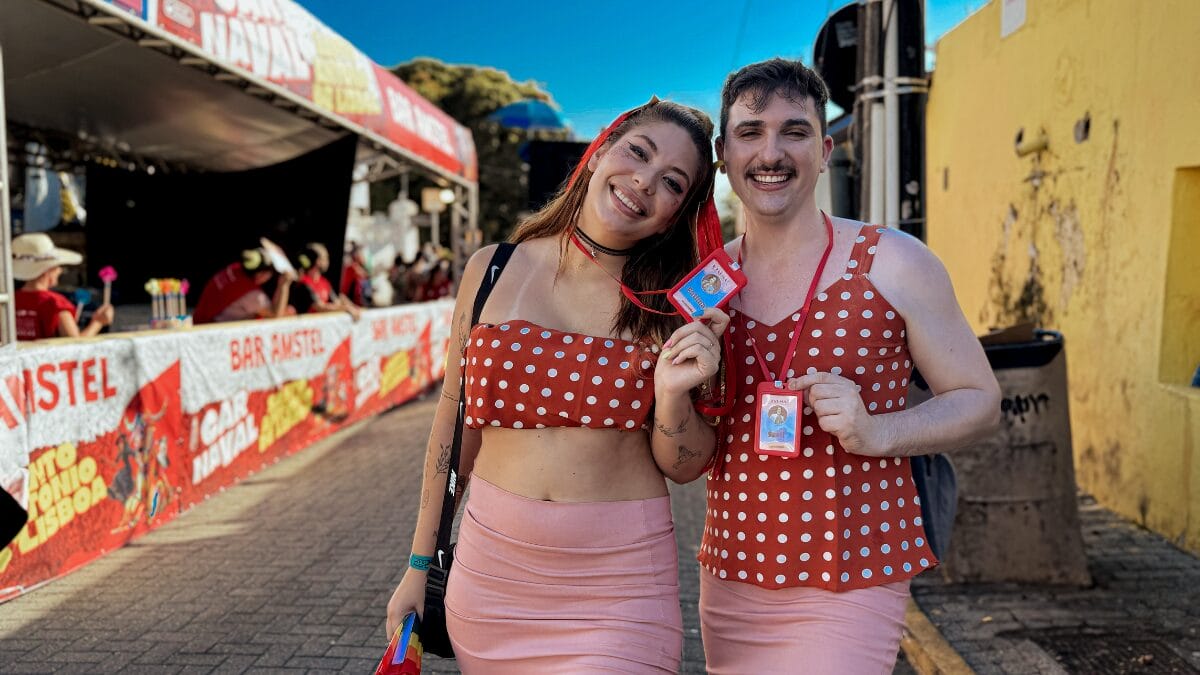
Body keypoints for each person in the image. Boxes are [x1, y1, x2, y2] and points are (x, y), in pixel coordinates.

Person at [385, 99, 728, 673]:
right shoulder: (491, 269)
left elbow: (687, 464)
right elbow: (453, 425)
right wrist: (420, 565)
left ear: (676, 215)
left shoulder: (674, 305)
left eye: (672, 182)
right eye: (637, 152)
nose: (644, 181)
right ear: (597, 155)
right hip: (490, 581)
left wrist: (672, 395)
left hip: (618, 588)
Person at [696, 58, 1002, 674]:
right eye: (751, 133)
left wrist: (879, 431)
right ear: (723, 155)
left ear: (825, 150)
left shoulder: (895, 261)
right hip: (732, 572)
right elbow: (689, 441)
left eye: (795, 131)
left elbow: (979, 400)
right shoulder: (707, 281)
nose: (771, 153)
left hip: (854, 569)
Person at [12, 233, 114, 340]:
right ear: (47, 270)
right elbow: (75, 345)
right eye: (57, 266)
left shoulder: (10, 302)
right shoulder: (56, 303)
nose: (60, 270)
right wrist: (98, 322)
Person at [192, 244, 295, 324]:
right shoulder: (253, 296)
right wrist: (284, 285)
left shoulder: (235, 268)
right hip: (212, 331)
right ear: (261, 274)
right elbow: (275, 315)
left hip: (200, 320)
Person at [291, 243, 361, 320]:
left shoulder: (324, 282)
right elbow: (320, 307)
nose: (328, 261)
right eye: (325, 258)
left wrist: (349, 305)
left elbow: (336, 302)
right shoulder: (304, 282)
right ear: (318, 261)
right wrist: (346, 309)